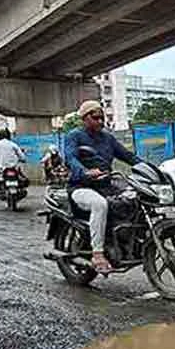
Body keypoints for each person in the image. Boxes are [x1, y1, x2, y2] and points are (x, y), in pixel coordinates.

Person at [62, 100, 138, 274]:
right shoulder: (74, 136)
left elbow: (127, 156)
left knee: (133, 197)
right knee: (100, 204)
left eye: (101, 118)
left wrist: (150, 169)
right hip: (80, 187)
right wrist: (85, 172)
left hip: (105, 186)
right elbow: (70, 158)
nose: (100, 121)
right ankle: (97, 254)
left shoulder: (108, 138)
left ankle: (125, 240)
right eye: (95, 118)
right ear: (84, 118)